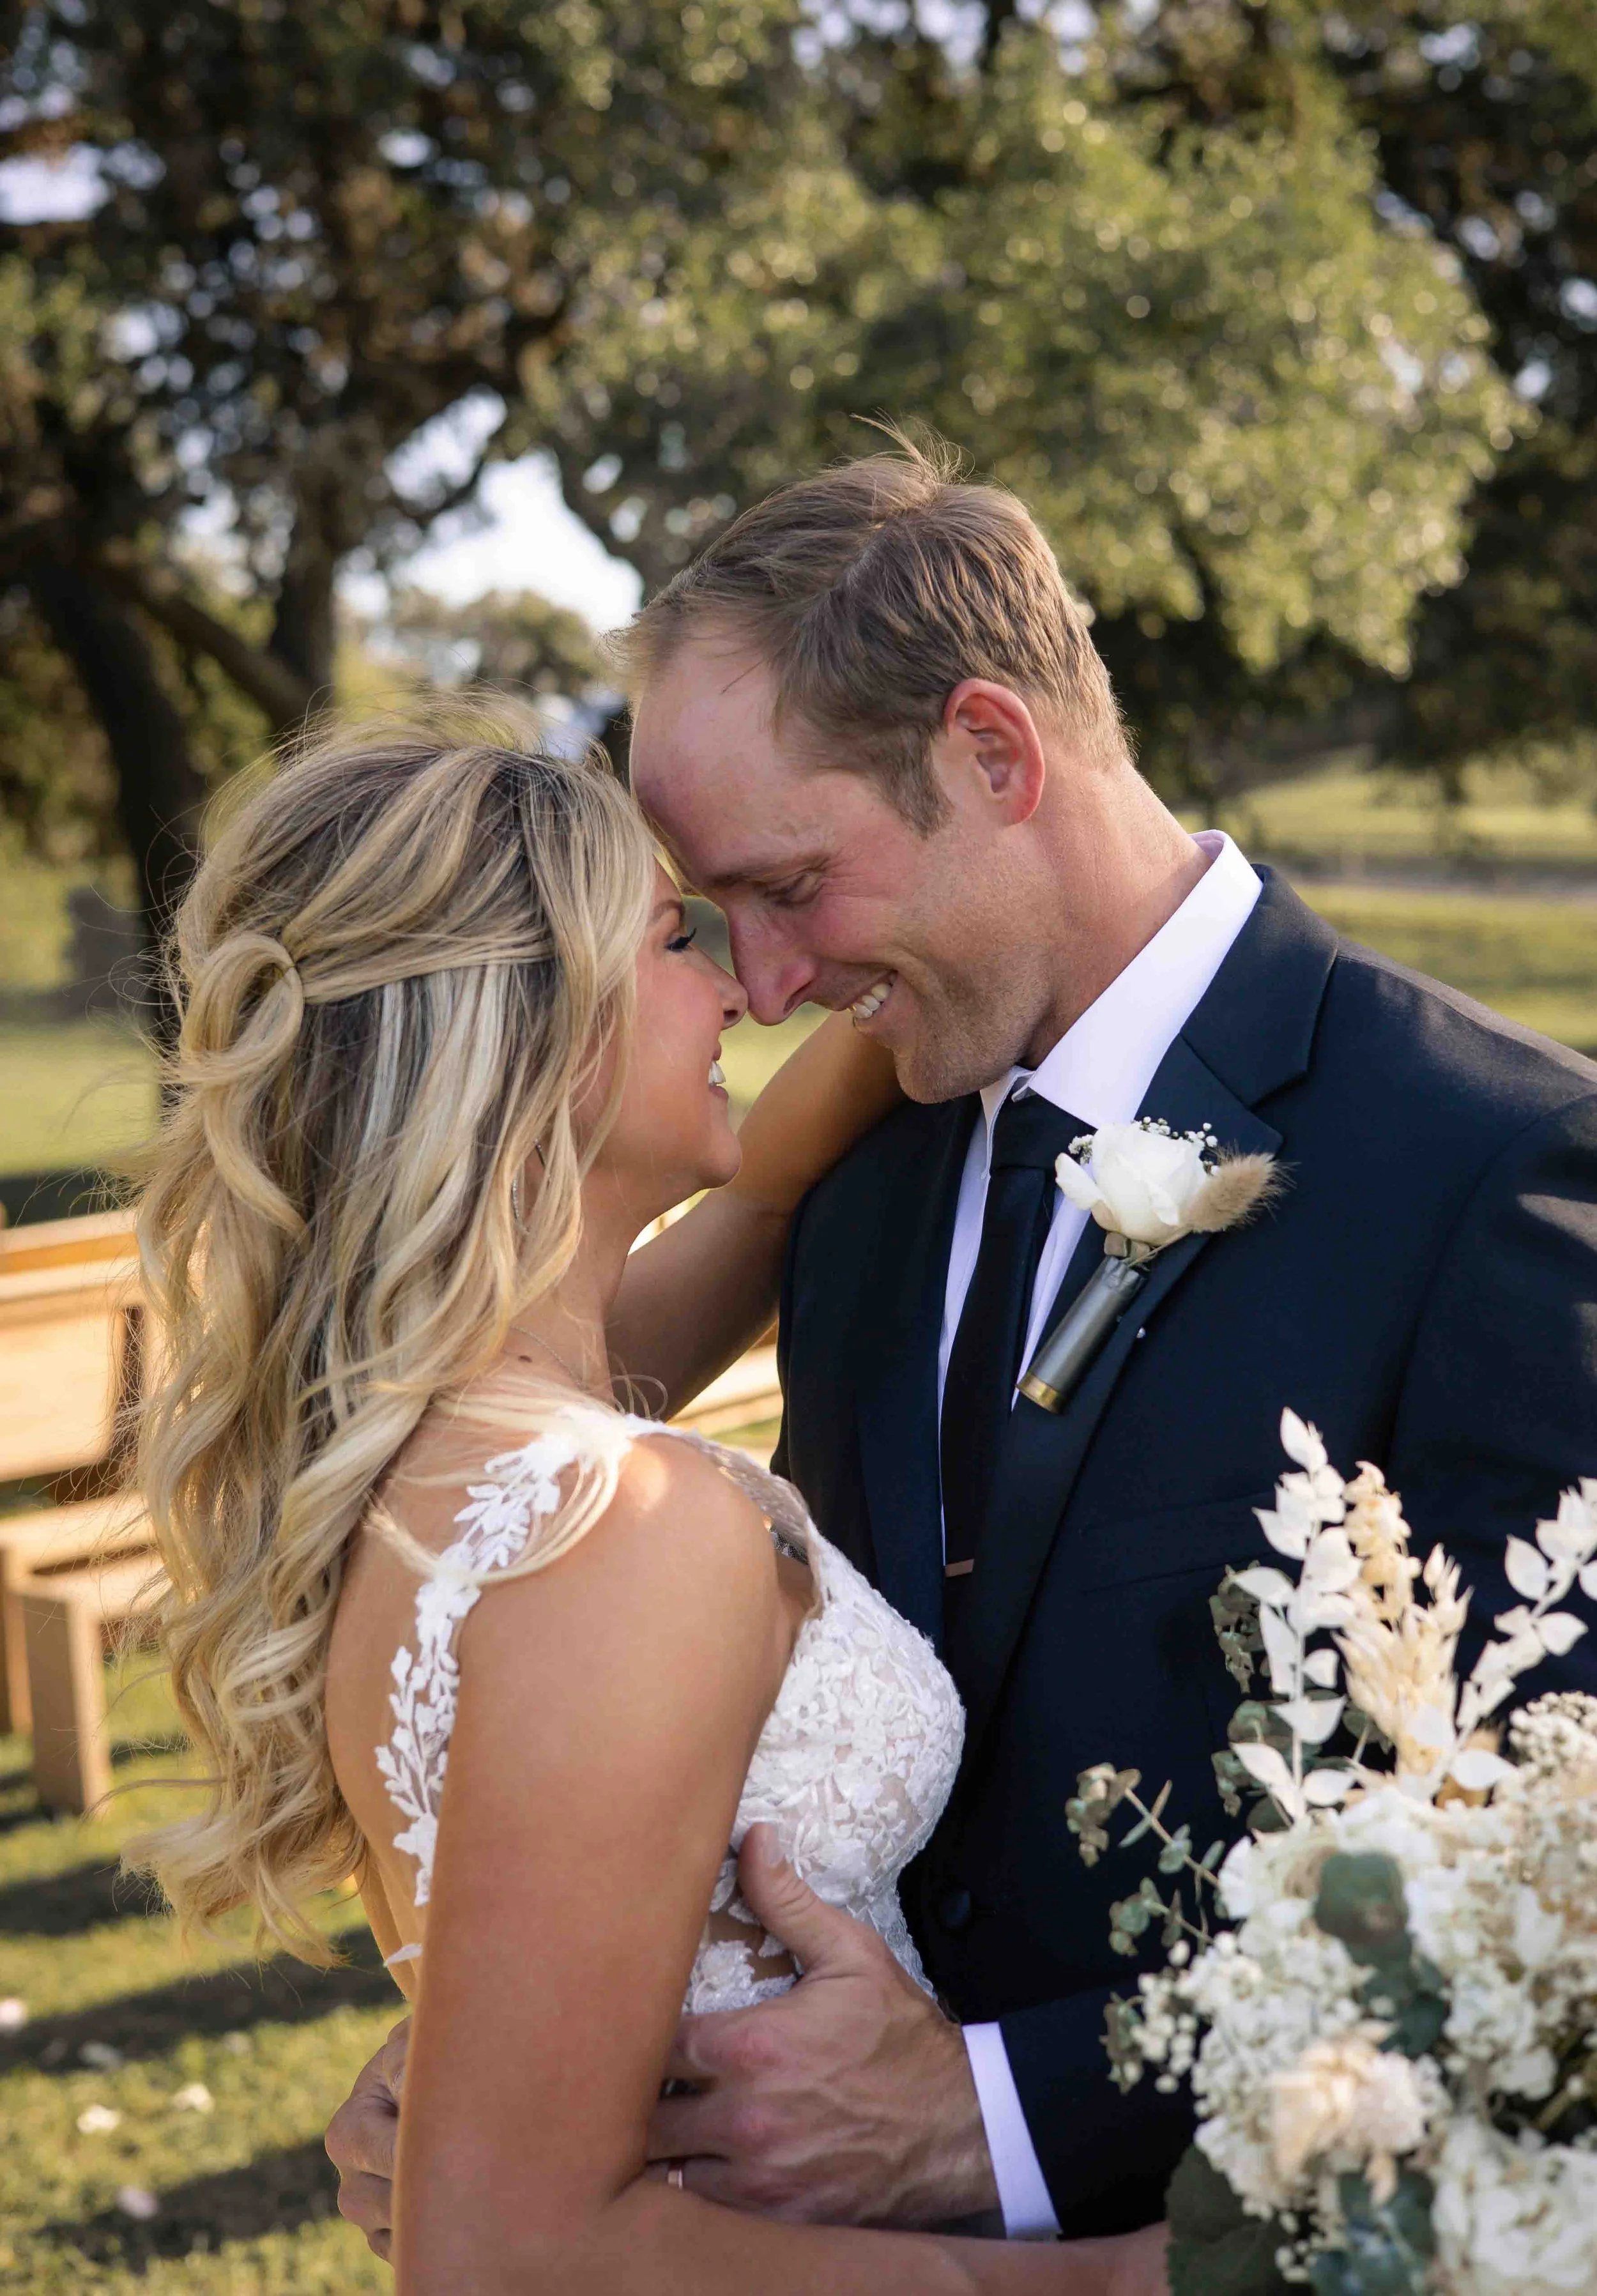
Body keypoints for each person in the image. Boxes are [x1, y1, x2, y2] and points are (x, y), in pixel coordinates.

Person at [328, 438, 1597, 2252]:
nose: (760, 988)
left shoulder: (1491, 1165)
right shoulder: (863, 1165)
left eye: (783, 887)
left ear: (991, 753)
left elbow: (1554, 1884)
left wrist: (992, 2118)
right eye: (713, 915)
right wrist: (526, 2061)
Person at [132, 703, 1165, 2293]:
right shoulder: (615, 1526)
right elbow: (513, 2253)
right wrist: (1118, 2284)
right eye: (677, 938)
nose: (747, 990)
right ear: (536, 1027)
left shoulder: (431, 1458)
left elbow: (747, 1202)